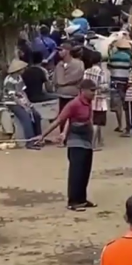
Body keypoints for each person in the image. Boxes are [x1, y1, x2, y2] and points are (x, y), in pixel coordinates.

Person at [39, 79, 96, 211]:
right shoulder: (73, 104)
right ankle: (73, 201)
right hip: (76, 141)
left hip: (87, 141)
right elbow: (60, 119)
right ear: (83, 91)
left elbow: (74, 121)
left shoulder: (88, 102)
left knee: (85, 171)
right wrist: (43, 135)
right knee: (76, 172)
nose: (94, 93)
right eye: (92, 90)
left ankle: (81, 199)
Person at [2, 59, 41, 149]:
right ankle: (29, 142)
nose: (24, 70)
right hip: (11, 102)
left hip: (20, 99)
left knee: (36, 115)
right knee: (26, 117)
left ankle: (38, 138)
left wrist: (28, 103)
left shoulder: (19, 78)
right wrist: (23, 106)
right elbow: (13, 97)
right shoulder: (9, 80)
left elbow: (22, 92)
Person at [83, 49, 110, 150]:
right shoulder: (101, 73)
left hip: (89, 100)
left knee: (93, 121)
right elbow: (104, 86)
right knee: (97, 122)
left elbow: (84, 84)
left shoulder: (86, 71)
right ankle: (93, 145)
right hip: (99, 100)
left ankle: (99, 140)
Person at [108, 38, 132, 135]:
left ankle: (120, 125)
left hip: (115, 82)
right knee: (126, 104)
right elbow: (131, 68)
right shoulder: (129, 57)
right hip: (125, 82)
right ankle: (127, 125)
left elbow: (109, 67)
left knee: (117, 105)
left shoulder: (112, 57)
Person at [54, 44, 85, 116]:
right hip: (62, 95)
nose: (59, 52)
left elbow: (60, 81)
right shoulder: (59, 64)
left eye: (61, 50)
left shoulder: (79, 64)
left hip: (72, 95)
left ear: (68, 51)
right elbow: (56, 81)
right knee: (63, 117)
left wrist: (63, 82)